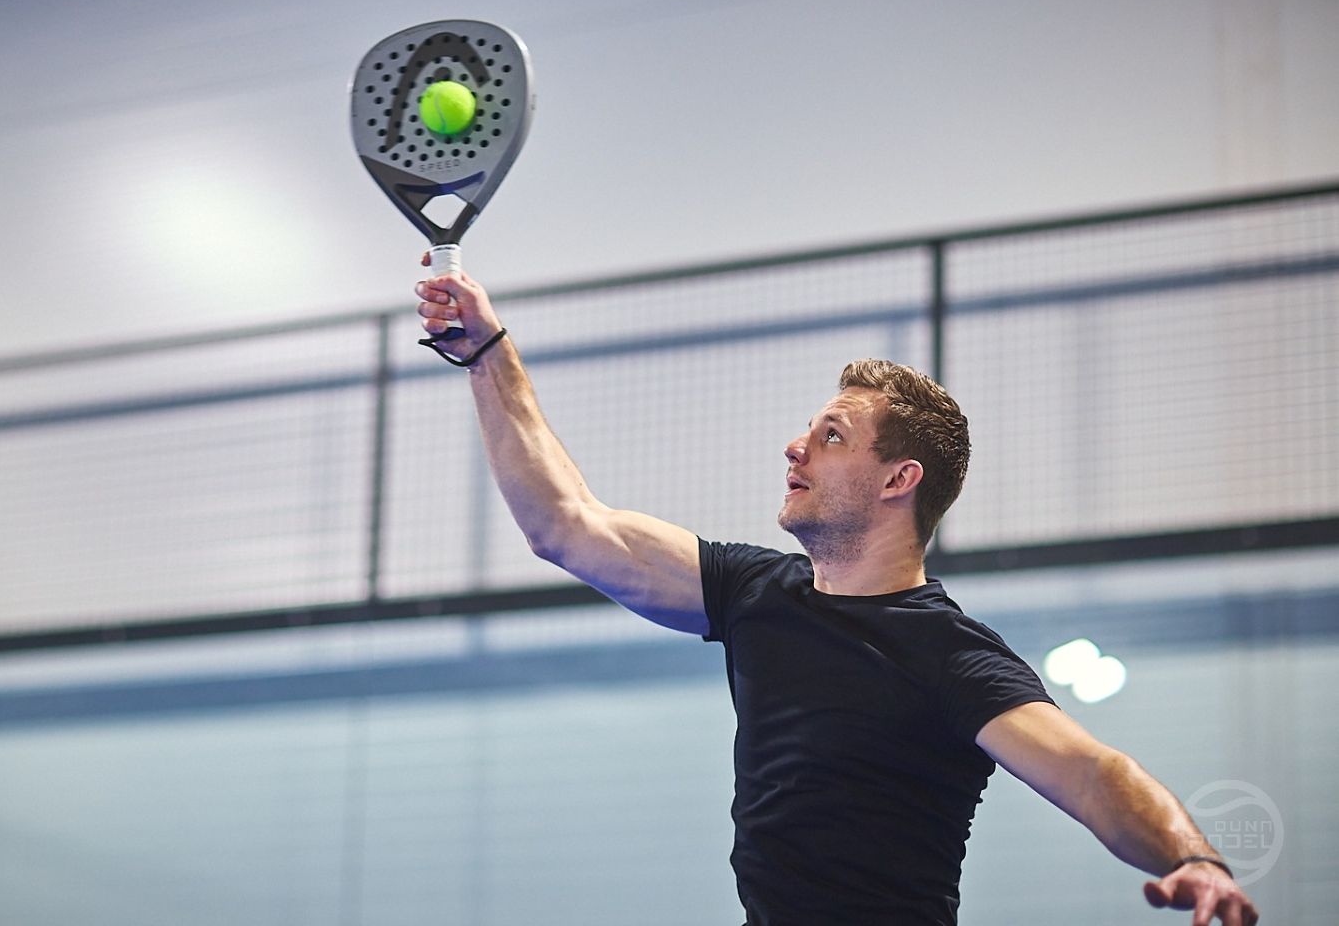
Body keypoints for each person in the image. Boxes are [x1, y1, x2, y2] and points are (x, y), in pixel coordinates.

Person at [414, 259, 1260, 926]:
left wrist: (1193, 858)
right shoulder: (754, 591)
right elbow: (564, 523)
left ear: (898, 479)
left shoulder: (949, 654)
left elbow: (1091, 771)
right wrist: (489, 355)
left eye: (830, 435)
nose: (795, 447)